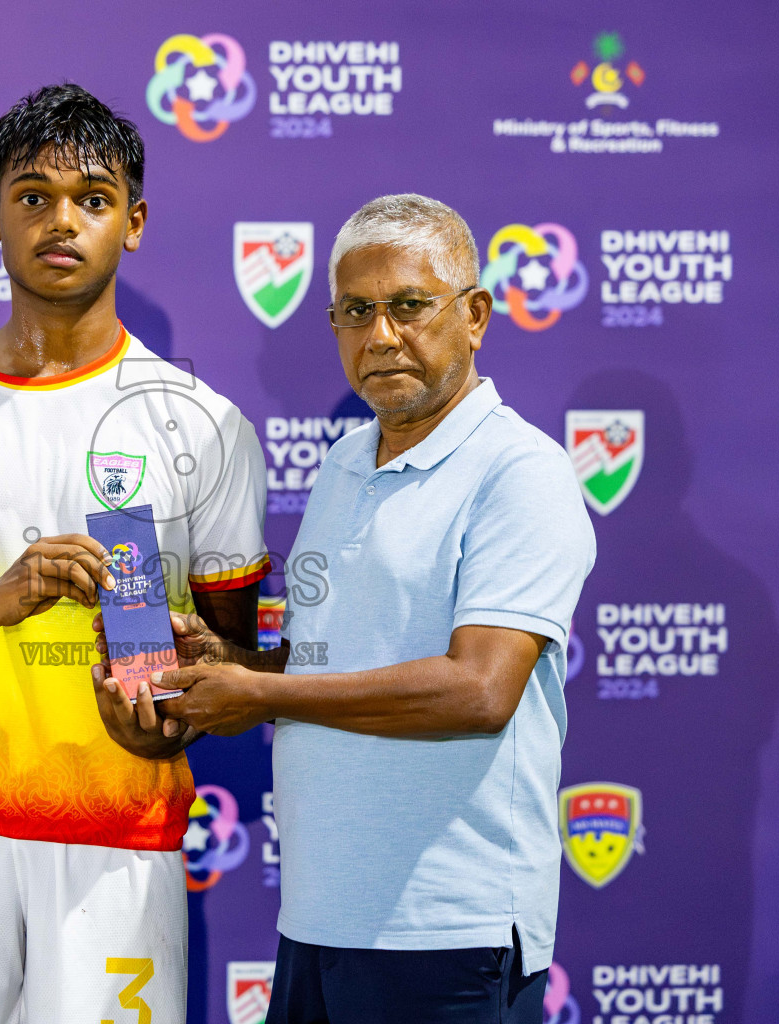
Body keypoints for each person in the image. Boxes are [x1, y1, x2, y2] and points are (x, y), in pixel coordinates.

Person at [0, 84, 269, 1024]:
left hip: (118, 845)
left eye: (94, 198)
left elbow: (236, 669)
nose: (61, 220)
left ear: (135, 222)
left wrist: (177, 708)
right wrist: (1, 599)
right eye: (33, 196)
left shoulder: (205, 425)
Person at [119, 194, 596, 1023]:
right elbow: (322, 661)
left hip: (450, 930)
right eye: (354, 312)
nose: (380, 336)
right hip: (318, 918)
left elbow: (479, 691)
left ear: (474, 315)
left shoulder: (522, 472)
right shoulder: (343, 463)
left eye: (409, 306)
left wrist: (263, 696)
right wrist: (231, 668)